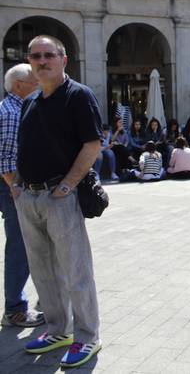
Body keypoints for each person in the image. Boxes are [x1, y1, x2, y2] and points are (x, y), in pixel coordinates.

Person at [13, 35, 102, 367]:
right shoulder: (31, 101)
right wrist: (19, 185)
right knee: (42, 269)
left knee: (75, 269)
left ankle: (87, 336)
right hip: (29, 196)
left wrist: (66, 186)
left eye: (49, 55)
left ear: (64, 60)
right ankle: (57, 329)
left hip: (58, 196)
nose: (41, 60)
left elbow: (92, 145)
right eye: (35, 56)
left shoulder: (77, 95)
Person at [0, 63, 44, 328]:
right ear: (18, 85)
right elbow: (5, 159)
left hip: (17, 187)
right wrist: (16, 189)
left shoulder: (19, 108)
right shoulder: (11, 112)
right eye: (33, 80)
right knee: (20, 247)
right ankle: (15, 309)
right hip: (13, 189)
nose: (38, 83)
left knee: (25, 245)